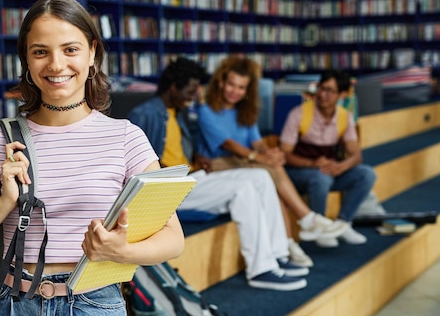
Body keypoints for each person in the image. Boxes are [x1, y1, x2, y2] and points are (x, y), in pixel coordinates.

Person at [0, 0, 185, 316]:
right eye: (40, 52)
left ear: (92, 53)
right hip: (12, 312)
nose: (56, 65)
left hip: (95, 308)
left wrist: (121, 252)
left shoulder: (125, 137)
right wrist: (5, 201)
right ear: (26, 59)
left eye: (70, 49)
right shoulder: (0, 138)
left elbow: (173, 239)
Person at [128, 56, 310, 292]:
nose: (193, 98)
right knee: (243, 188)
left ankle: (278, 254)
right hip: (170, 192)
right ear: (174, 88)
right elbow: (137, 166)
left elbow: (176, 151)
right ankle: (261, 269)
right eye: (190, 92)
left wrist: (196, 159)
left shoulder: (176, 112)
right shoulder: (145, 114)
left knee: (262, 177)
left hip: (192, 178)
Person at [197, 55, 347, 263]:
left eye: (241, 87)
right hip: (218, 165)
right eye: (231, 84)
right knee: (268, 170)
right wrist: (259, 157)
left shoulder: (245, 111)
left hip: (243, 163)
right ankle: (307, 219)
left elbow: (256, 141)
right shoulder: (206, 110)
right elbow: (228, 144)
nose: (235, 91)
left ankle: (288, 242)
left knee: (272, 179)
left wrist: (269, 154)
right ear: (221, 82)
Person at [279, 69, 377, 247]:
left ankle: (343, 223)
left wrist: (342, 167)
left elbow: (356, 155)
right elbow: (284, 154)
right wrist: (312, 163)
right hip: (299, 172)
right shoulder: (298, 114)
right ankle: (320, 225)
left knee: (367, 174)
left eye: (330, 91)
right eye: (322, 89)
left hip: (329, 170)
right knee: (321, 178)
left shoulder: (344, 117)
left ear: (343, 94)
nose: (323, 95)